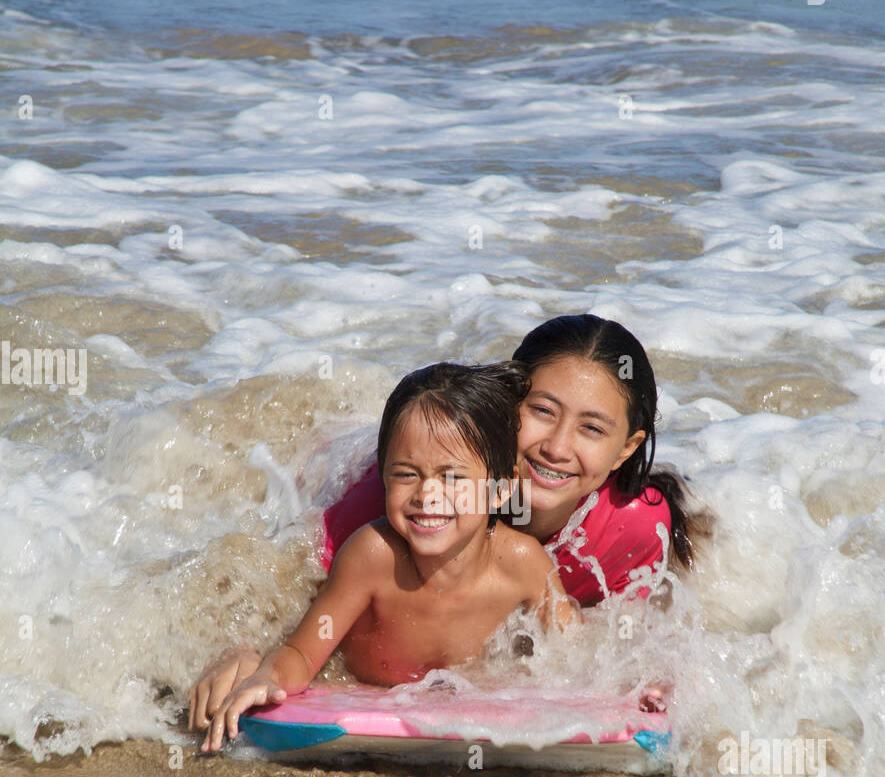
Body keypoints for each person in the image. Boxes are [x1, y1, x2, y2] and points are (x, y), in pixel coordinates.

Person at [190, 314, 709, 730]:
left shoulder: (631, 528)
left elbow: (597, 645)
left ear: (626, 449)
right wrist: (242, 649)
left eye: (592, 428)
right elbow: (290, 591)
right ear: (506, 406)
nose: (556, 446)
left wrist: (648, 677)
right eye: (543, 411)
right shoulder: (394, 501)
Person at [201, 362, 574, 752]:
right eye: (406, 474)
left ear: (500, 489)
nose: (427, 495)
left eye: (452, 477)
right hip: (361, 681)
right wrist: (268, 677)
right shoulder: (373, 557)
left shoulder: (523, 564)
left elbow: (579, 654)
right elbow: (301, 652)